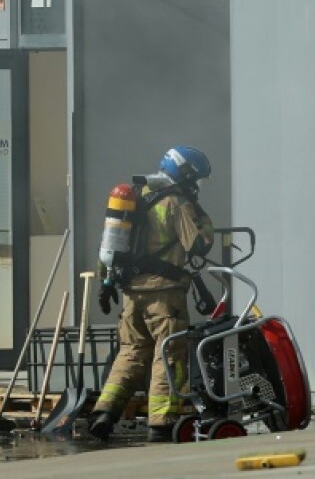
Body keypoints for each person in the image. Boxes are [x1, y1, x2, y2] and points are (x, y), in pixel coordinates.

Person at [89, 145, 215, 443]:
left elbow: (110, 245)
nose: (198, 186)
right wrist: (202, 217)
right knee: (168, 355)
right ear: (185, 175)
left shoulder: (136, 197)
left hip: (131, 293)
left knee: (131, 352)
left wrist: (106, 284)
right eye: (196, 179)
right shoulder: (176, 202)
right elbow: (199, 244)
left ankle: (104, 412)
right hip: (165, 295)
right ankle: (161, 423)